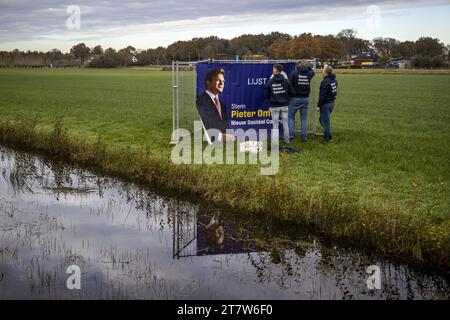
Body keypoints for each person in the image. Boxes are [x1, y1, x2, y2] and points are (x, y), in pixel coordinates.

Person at [196, 68, 235, 143]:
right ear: (208, 83)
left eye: (223, 81)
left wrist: (231, 136)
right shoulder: (200, 101)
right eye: (218, 80)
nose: (221, 83)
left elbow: (224, 125)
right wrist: (221, 137)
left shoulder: (222, 105)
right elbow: (204, 126)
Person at [264, 63, 295, 146]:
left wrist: (272, 97)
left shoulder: (270, 81)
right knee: (285, 124)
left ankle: (275, 143)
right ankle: (287, 141)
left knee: (275, 125)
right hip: (285, 106)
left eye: (273, 69)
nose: (272, 70)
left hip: (274, 106)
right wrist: (286, 96)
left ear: (275, 70)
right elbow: (292, 92)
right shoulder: (286, 81)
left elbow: (265, 95)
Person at [288, 60, 315, 142]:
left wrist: (293, 93)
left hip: (295, 98)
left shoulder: (294, 73)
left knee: (291, 117)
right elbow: (312, 70)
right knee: (304, 119)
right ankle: (304, 137)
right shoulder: (309, 73)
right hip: (305, 98)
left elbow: (289, 84)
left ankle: (291, 135)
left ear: (298, 66)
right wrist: (308, 66)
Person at [316, 65, 338, 143]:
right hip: (331, 103)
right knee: (322, 120)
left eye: (323, 70)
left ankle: (326, 139)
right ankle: (329, 135)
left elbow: (322, 95)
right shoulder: (334, 80)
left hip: (326, 104)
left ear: (325, 72)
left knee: (325, 122)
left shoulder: (325, 82)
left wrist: (318, 106)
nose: (322, 70)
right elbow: (335, 92)